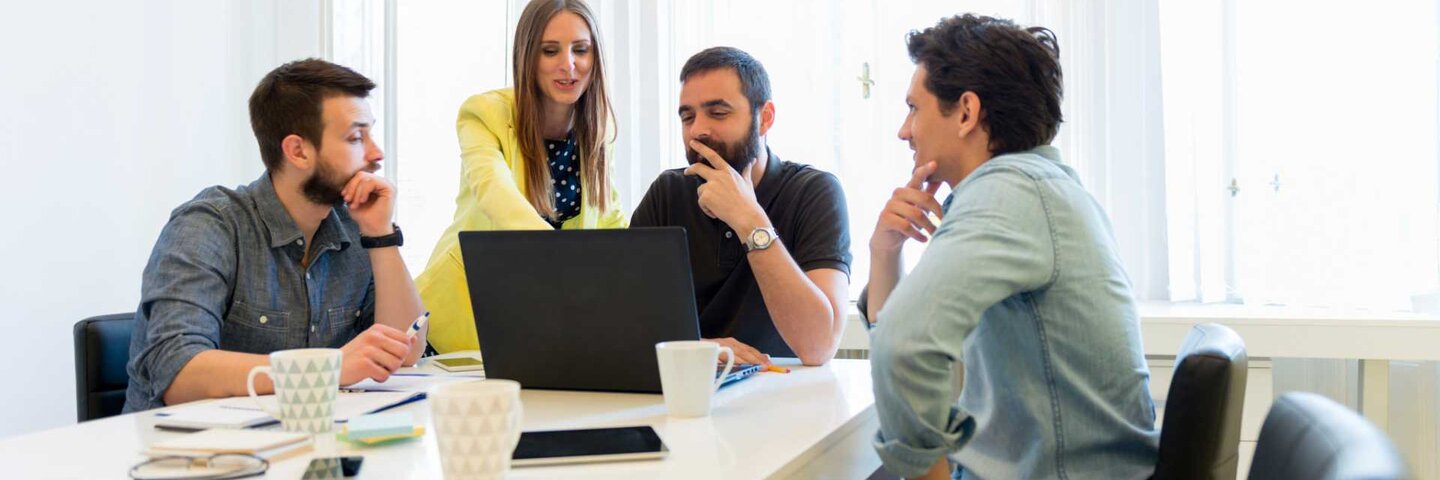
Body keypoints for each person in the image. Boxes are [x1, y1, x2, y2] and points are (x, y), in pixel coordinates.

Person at [865, 14, 1160, 479]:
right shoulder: (1035, 186)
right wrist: (885, 253)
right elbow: (894, 338)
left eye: (914, 108)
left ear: (966, 112)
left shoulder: (1009, 194)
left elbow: (901, 347)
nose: (905, 131)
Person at [124, 59, 427, 412]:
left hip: (300, 442)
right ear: (298, 151)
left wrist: (380, 235)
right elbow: (178, 374)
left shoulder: (354, 225)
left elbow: (405, 350)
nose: (376, 154)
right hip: (187, 454)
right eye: (356, 137)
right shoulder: (209, 225)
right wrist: (328, 369)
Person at [416, 0, 627, 354]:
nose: (568, 65)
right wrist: (561, 260)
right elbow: (495, 193)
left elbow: (609, 221)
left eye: (581, 49)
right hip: (460, 318)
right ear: (527, 57)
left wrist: (643, 274)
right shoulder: (485, 113)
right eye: (550, 51)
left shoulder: (597, 132)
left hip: (538, 320)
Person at [630, 47, 851, 366]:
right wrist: (700, 348)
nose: (698, 130)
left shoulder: (814, 192)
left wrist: (749, 220)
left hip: (784, 392)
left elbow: (818, 345)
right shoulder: (667, 193)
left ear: (765, 118)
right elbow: (624, 324)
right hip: (690, 391)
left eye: (718, 113)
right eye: (687, 116)